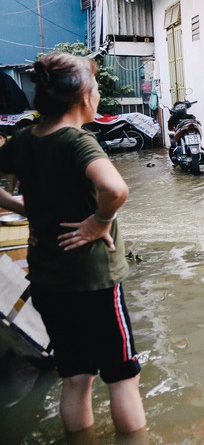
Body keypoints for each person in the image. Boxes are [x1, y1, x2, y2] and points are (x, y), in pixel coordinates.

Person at [0, 52, 147, 438]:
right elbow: (115, 189)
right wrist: (99, 222)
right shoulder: (77, 142)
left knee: (75, 378)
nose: (97, 95)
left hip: (48, 280)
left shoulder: (23, 141)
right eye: (96, 88)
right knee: (122, 377)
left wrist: (16, 204)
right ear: (84, 95)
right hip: (95, 280)